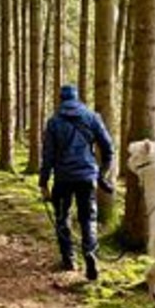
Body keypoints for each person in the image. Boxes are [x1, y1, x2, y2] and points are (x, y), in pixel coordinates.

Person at [39, 84, 114, 280]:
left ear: (61, 100)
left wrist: (43, 182)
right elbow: (108, 148)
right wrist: (102, 174)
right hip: (87, 177)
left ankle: (69, 259)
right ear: (77, 98)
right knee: (88, 217)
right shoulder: (92, 117)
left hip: (63, 177)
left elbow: (48, 155)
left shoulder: (54, 122)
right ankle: (89, 252)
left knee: (62, 217)